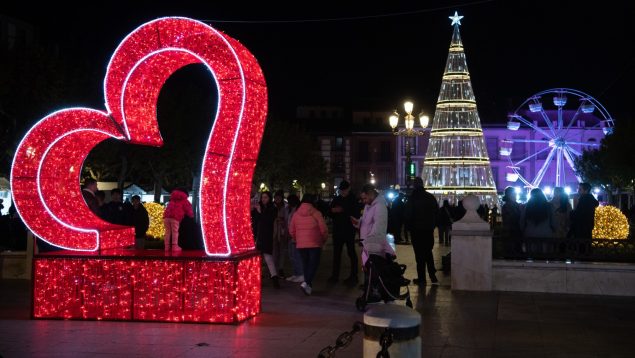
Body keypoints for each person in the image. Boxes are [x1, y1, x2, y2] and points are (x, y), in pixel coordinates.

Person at [289, 193, 328, 296]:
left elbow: (291, 229)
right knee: (313, 264)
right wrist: (323, 240)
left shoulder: (296, 214)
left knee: (306, 264)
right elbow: (323, 229)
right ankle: (307, 282)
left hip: (301, 244)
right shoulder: (316, 213)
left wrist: (296, 239)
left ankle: (308, 286)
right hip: (315, 243)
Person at [404, 177, 439, 286]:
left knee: (419, 255)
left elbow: (408, 214)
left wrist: (408, 227)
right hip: (428, 230)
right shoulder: (430, 197)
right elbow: (436, 212)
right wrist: (432, 225)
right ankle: (433, 276)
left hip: (416, 230)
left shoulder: (412, 198)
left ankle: (422, 278)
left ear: (415, 185)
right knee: (428, 252)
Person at [327, 180, 360, 285]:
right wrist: (333, 211)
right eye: (341, 190)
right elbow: (329, 211)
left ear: (348, 189)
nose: (343, 192)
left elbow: (356, 214)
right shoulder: (337, 199)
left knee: (351, 253)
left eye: (344, 190)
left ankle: (354, 276)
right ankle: (335, 276)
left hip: (349, 230)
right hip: (338, 231)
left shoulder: (353, 199)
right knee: (337, 254)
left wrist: (343, 210)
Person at [252, 191, 280, 288]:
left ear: (269, 198)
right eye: (262, 197)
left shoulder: (272, 208)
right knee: (259, 259)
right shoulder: (258, 207)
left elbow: (268, 221)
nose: (264, 199)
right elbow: (255, 221)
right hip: (258, 235)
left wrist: (260, 212)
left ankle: (274, 278)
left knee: (268, 257)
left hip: (266, 235)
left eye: (266, 197)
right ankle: (258, 278)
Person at [163, 188, 193, 253]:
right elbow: (188, 209)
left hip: (166, 217)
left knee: (167, 232)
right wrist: (191, 216)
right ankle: (174, 246)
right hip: (175, 217)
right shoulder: (184, 200)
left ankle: (166, 247)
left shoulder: (172, 199)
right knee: (175, 232)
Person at [285, 194, 304, 283]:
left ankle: (300, 274)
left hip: (296, 236)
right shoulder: (290, 210)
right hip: (291, 235)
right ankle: (296, 273)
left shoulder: (298, 210)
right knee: (292, 255)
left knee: (297, 255)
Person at [272, 190, 289, 278]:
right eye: (276, 197)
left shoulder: (285, 207)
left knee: (282, 251)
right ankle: (274, 270)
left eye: (279, 197)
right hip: (273, 232)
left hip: (282, 232)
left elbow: (287, 220)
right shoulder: (272, 206)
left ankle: (280, 268)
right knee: (274, 251)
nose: (277, 199)